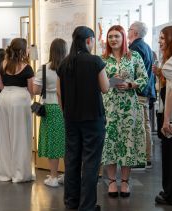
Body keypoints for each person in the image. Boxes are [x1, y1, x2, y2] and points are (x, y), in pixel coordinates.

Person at [57, 26, 109, 211]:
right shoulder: (95, 61)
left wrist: (66, 114)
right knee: (90, 163)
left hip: (71, 119)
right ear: (88, 40)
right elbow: (105, 87)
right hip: (93, 119)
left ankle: (71, 202)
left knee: (71, 160)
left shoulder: (64, 63)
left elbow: (59, 92)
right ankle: (87, 206)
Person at [101, 25, 148, 198]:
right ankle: (112, 181)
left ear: (123, 38)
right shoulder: (103, 59)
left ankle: (125, 182)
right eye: (110, 36)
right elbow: (96, 82)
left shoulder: (134, 56)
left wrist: (130, 84)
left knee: (128, 142)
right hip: (109, 107)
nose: (113, 39)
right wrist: (108, 83)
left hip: (130, 106)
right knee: (110, 141)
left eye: (116, 36)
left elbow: (144, 77)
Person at [0, 38, 35, 183]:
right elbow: (32, 89)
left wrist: (9, 91)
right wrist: (27, 97)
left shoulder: (3, 64)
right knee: (20, 137)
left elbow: (0, 85)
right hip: (20, 99)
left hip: (4, 97)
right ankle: (20, 174)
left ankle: (5, 174)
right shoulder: (26, 67)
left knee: (5, 136)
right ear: (24, 50)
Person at [33, 38, 67, 187]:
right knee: (67, 142)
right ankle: (68, 175)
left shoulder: (45, 68)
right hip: (67, 108)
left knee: (53, 143)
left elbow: (36, 90)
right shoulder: (69, 67)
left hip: (51, 108)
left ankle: (53, 177)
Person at [128, 21, 155, 169]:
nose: (127, 31)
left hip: (138, 92)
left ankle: (143, 158)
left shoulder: (135, 48)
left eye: (129, 29)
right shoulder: (146, 46)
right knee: (145, 124)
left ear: (135, 33)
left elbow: (133, 73)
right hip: (146, 90)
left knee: (141, 125)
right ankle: (146, 157)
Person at [153, 25, 172, 206]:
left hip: (171, 118)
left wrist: (166, 120)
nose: (159, 41)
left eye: (162, 38)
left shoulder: (171, 63)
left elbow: (170, 93)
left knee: (169, 155)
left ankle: (170, 193)